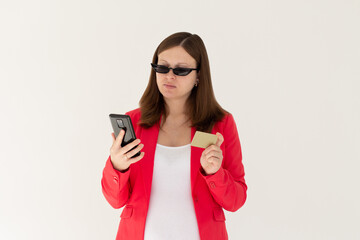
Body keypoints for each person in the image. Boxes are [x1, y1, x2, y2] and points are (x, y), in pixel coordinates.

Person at [101, 32, 247, 240]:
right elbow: (115, 200)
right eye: (162, 67)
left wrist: (215, 173)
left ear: (198, 75)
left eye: (180, 70)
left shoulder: (221, 124)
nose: (169, 76)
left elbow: (236, 201)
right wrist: (117, 166)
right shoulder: (134, 122)